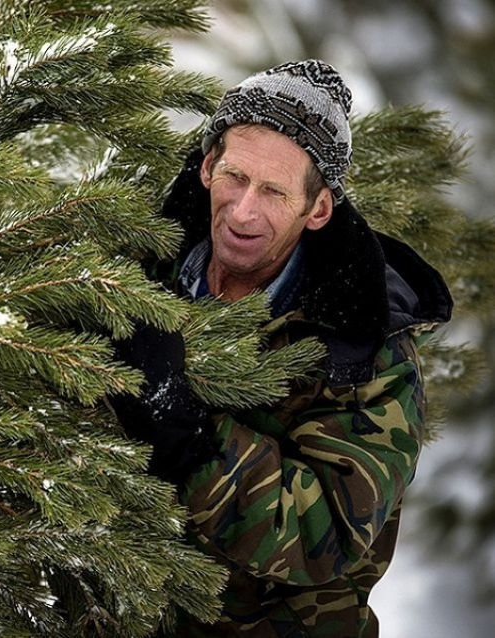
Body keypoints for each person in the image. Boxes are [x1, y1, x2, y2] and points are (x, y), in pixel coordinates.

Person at [108, 60, 453, 637]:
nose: (243, 211)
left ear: (318, 209)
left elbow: (328, 534)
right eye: (235, 177)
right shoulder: (133, 266)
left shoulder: (367, 352)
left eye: (273, 191)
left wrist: (185, 437)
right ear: (207, 167)